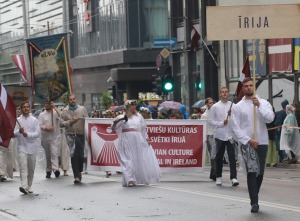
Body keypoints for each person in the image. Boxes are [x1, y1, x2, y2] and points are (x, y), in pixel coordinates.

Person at [231, 77, 275, 213]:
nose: (249, 88)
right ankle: (254, 202)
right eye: (246, 86)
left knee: (260, 172)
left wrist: (259, 106)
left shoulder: (264, 103)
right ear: (242, 88)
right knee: (252, 170)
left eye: (251, 85)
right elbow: (235, 127)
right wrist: (248, 140)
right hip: (247, 143)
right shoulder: (238, 107)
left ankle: (255, 194)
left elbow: (270, 118)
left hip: (262, 141)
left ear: (254, 87)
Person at [111, 100, 161, 187]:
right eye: (132, 106)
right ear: (128, 108)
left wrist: (146, 139)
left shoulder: (139, 117)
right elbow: (114, 128)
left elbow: (143, 129)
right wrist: (116, 122)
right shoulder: (121, 117)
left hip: (138, 140)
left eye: (135, 106)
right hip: (126, 140)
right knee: (127, 159)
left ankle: (140, 178)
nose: (134, 107)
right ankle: (130, 179)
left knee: (139, 158)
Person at [208, 87, 239, 186]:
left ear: (228, 94)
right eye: (223, 92)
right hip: (220, 135)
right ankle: (218, 176)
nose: (225, 94)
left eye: (226, 92)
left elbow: (237, 120)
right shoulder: (215, 107)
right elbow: (211, 121)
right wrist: (222, 123)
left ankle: (234, 177)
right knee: (219, 157)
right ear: (220, 94)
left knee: (232, 157)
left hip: (230, 135)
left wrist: (231, 115)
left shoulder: (233, 106)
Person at [14, 101, 41, 194]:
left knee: (31, 168)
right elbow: (13, 133)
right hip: (21, 147)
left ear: (29, 108)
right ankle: (23, 186)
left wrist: (27, 134)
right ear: (21, 109)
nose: (26, 108)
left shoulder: (34, 120)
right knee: (23, 167)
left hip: (32, 147)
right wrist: (19, 132)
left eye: (27, 107)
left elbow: (37, 133)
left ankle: (29, 186)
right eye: (24, 107)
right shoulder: (17, 120)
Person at [61, 93, 88, 184]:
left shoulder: (82, 109)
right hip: (70, 135)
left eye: (73, 99)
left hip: (80, 134)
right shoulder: (64, 111)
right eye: (70, 99)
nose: (72, 101)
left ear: (76, 99)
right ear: (68, 101)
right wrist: (70, 121)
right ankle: (76, 175)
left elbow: (87, 121)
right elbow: (61, 124)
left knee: (81, 155)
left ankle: (79, 171)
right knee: (73, 154)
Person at [38, 100, 61, 178]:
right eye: (46, 103)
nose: (48, 105)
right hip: (45, 137)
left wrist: (54, 107)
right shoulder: (42, 114)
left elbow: (61, 116)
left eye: (49, 103)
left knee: (54, 153)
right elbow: (40, 125)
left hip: (54, 137)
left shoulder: (54, 113)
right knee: (48, 154)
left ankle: (56, 169)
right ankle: (48, 170)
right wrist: (46, 128)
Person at [201, 97, 216, 181]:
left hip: (217, 135)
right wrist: (205, 137)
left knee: (217, 154)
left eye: (212, 102)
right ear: (206, 104)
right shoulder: (204, 115)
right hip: (209, 135)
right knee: (213, 155)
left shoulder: (216, 113)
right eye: (210, 103)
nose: (212, 104)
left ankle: (214, 173)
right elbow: (203, 127)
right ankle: (215, 173)